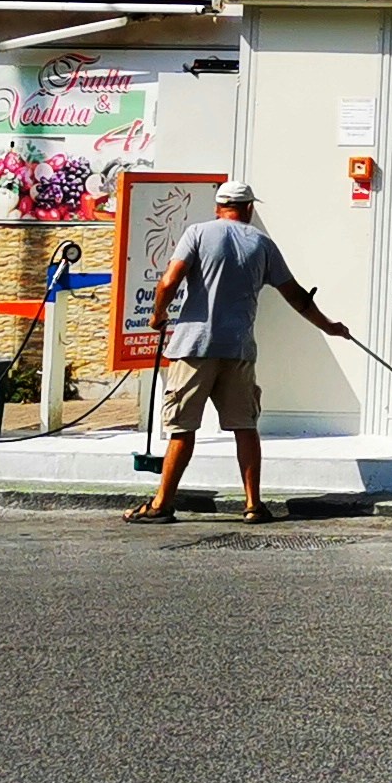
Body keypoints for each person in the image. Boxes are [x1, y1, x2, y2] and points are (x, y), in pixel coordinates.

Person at [128, 179, 347, 525]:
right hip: (238, 349)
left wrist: (158, 315)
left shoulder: (197, 233)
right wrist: (330, 326)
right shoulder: (262, 244)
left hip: (193, 346)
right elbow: (297, 296)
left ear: (218, 207)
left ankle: (162, 503)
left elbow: (169, 281)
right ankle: (252, 505)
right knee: (245, 426)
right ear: (249, 208)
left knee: (183, 428)